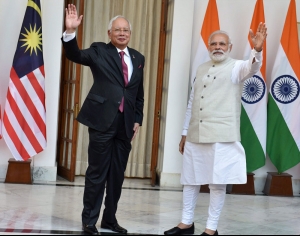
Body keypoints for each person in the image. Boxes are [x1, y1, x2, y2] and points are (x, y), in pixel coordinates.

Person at [164, 22, 267, 235]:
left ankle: (211, 229)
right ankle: (186, 223)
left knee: (217, 183)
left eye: (222, 43)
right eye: (214, 43)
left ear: (229, 47)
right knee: (190, 180)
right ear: (209, 47)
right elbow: (192, 102)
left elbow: (253, 67)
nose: (217, 47)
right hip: (195, 134)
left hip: (221, 135)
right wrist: (184, 132)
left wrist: (257, 50)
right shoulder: (201, 68)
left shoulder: (237, 67)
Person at [61, 4, 145, 235]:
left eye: (125, 30)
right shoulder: (99, 51)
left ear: (130, 33)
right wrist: (70, 33)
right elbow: (75, 55)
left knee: (117, 175)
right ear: (109, 33)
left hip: (126, 125)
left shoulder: (138, 57)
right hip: (102, 121)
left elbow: (138, 93)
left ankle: (109, 219)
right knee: (97, 173)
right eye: (117, 30)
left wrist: (138, 118)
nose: (122, 33)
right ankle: (89, 221)